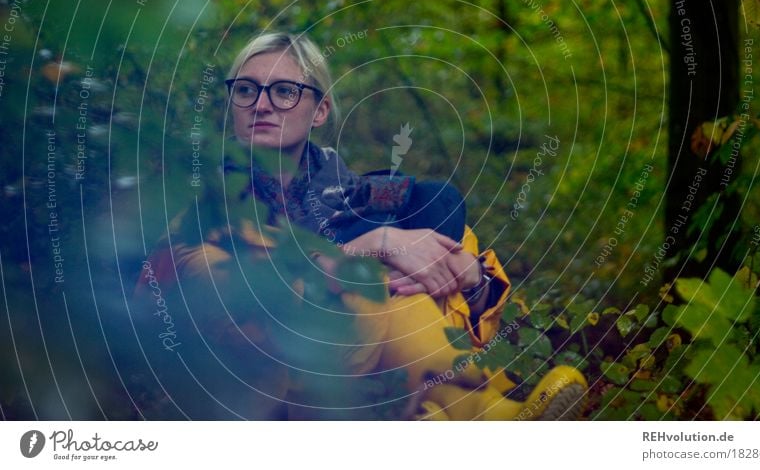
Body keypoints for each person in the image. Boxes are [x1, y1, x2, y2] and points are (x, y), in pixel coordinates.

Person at [134, 31, 587, 420]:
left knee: (423, 233)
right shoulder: (200, 201)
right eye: (247, 90)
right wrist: (353, 255)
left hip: (385, 376)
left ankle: (488, 415)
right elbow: (196, 292)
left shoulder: (348, 192)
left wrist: (474, 282)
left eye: (284, 91)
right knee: (365, 286)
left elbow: (423, 201)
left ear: (320, 111)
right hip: (272, 399)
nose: (262, 105)